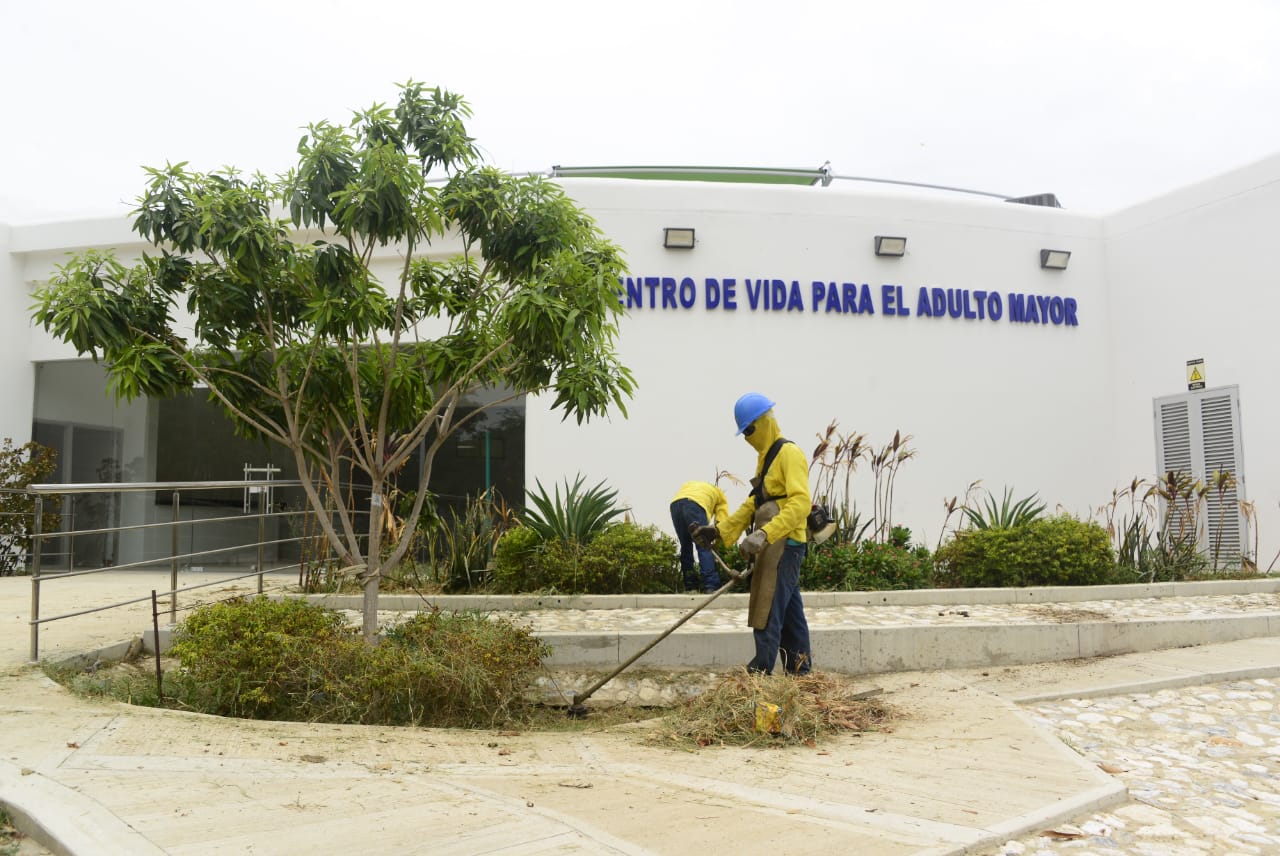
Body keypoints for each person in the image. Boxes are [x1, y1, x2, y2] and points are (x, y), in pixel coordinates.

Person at [694, 393, 812, 675]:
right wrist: (721, 531)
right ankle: (802, 675)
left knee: (767, 608)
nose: (748, 437)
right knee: (791, 615)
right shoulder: (766, 458)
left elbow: (801, 503)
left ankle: (759, 675)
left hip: (786, 544)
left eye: (750, 429)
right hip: (774, 545)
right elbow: (754, 502)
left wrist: (765, 534)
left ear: (764, 421)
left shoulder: (789, 454)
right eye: (744, 432)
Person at [669, 481, 729, 593]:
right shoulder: (720, 496)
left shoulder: (693, 485)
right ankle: (711, 586)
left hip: (675, 504)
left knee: (685, 545)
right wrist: (716, 543)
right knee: (704, 545)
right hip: (695, 504)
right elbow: (722, 524)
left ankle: (690, 586)